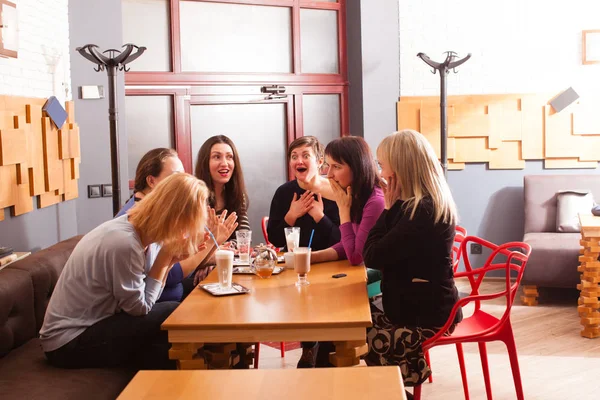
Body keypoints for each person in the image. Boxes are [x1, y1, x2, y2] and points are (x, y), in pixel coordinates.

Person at [40, 173, 210, 370]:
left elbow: (145, 295)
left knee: (160, 348)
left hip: (97, 324)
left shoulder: (146, 232)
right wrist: (165, 260)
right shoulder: (125, 244)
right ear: (176, 217)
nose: (188, 232)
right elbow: (140, 308)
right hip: (68, 342)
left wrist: (170, 260)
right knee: (172, 311)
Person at [362, 130, 463, 395]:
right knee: (348, 320)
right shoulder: (416, 205)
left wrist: (387, 208)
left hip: (426, 313)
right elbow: (376, 252)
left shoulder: (421, 210)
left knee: (354, 331)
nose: (381, 174)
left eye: (383, 166)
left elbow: (372, 255)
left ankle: (392, 391)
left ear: (402, 167)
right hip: (416, 302)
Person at [116, 148, 237, 302]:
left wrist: (212, 247)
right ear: (151, 181)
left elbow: (181, 257)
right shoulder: (140, 217)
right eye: (175, 177)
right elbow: (173, 273)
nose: (181, 183)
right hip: (157, 303)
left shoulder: (157, 210)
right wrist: (214, 241)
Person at [310, 136, 384, 266]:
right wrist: (311, 257)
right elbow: (349, 243)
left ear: (357, 168)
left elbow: (356, 257)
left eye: (337, 167)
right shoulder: (356, 194)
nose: (329, 174)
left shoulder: (376, 201)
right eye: (328, 165)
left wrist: (343, 210)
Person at [267, 136, 341, 251]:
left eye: (306, 156)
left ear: (320, 161)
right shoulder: (283, 192)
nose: (299, 161)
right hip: (295, 262)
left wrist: (320, 217)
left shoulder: (338, 191)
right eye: (294, 157)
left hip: (332, 262)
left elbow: (342, 241)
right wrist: (291, 215)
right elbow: (275, 240)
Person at [195, 135, 251, 243]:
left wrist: (227, 248)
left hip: (230, 258)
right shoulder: (194, 197)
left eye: (229, 157)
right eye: (217, 157)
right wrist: (218, 246)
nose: (225, 163)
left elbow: (244, 236)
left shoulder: (237, 195)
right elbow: (194, 244)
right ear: (205, 163)